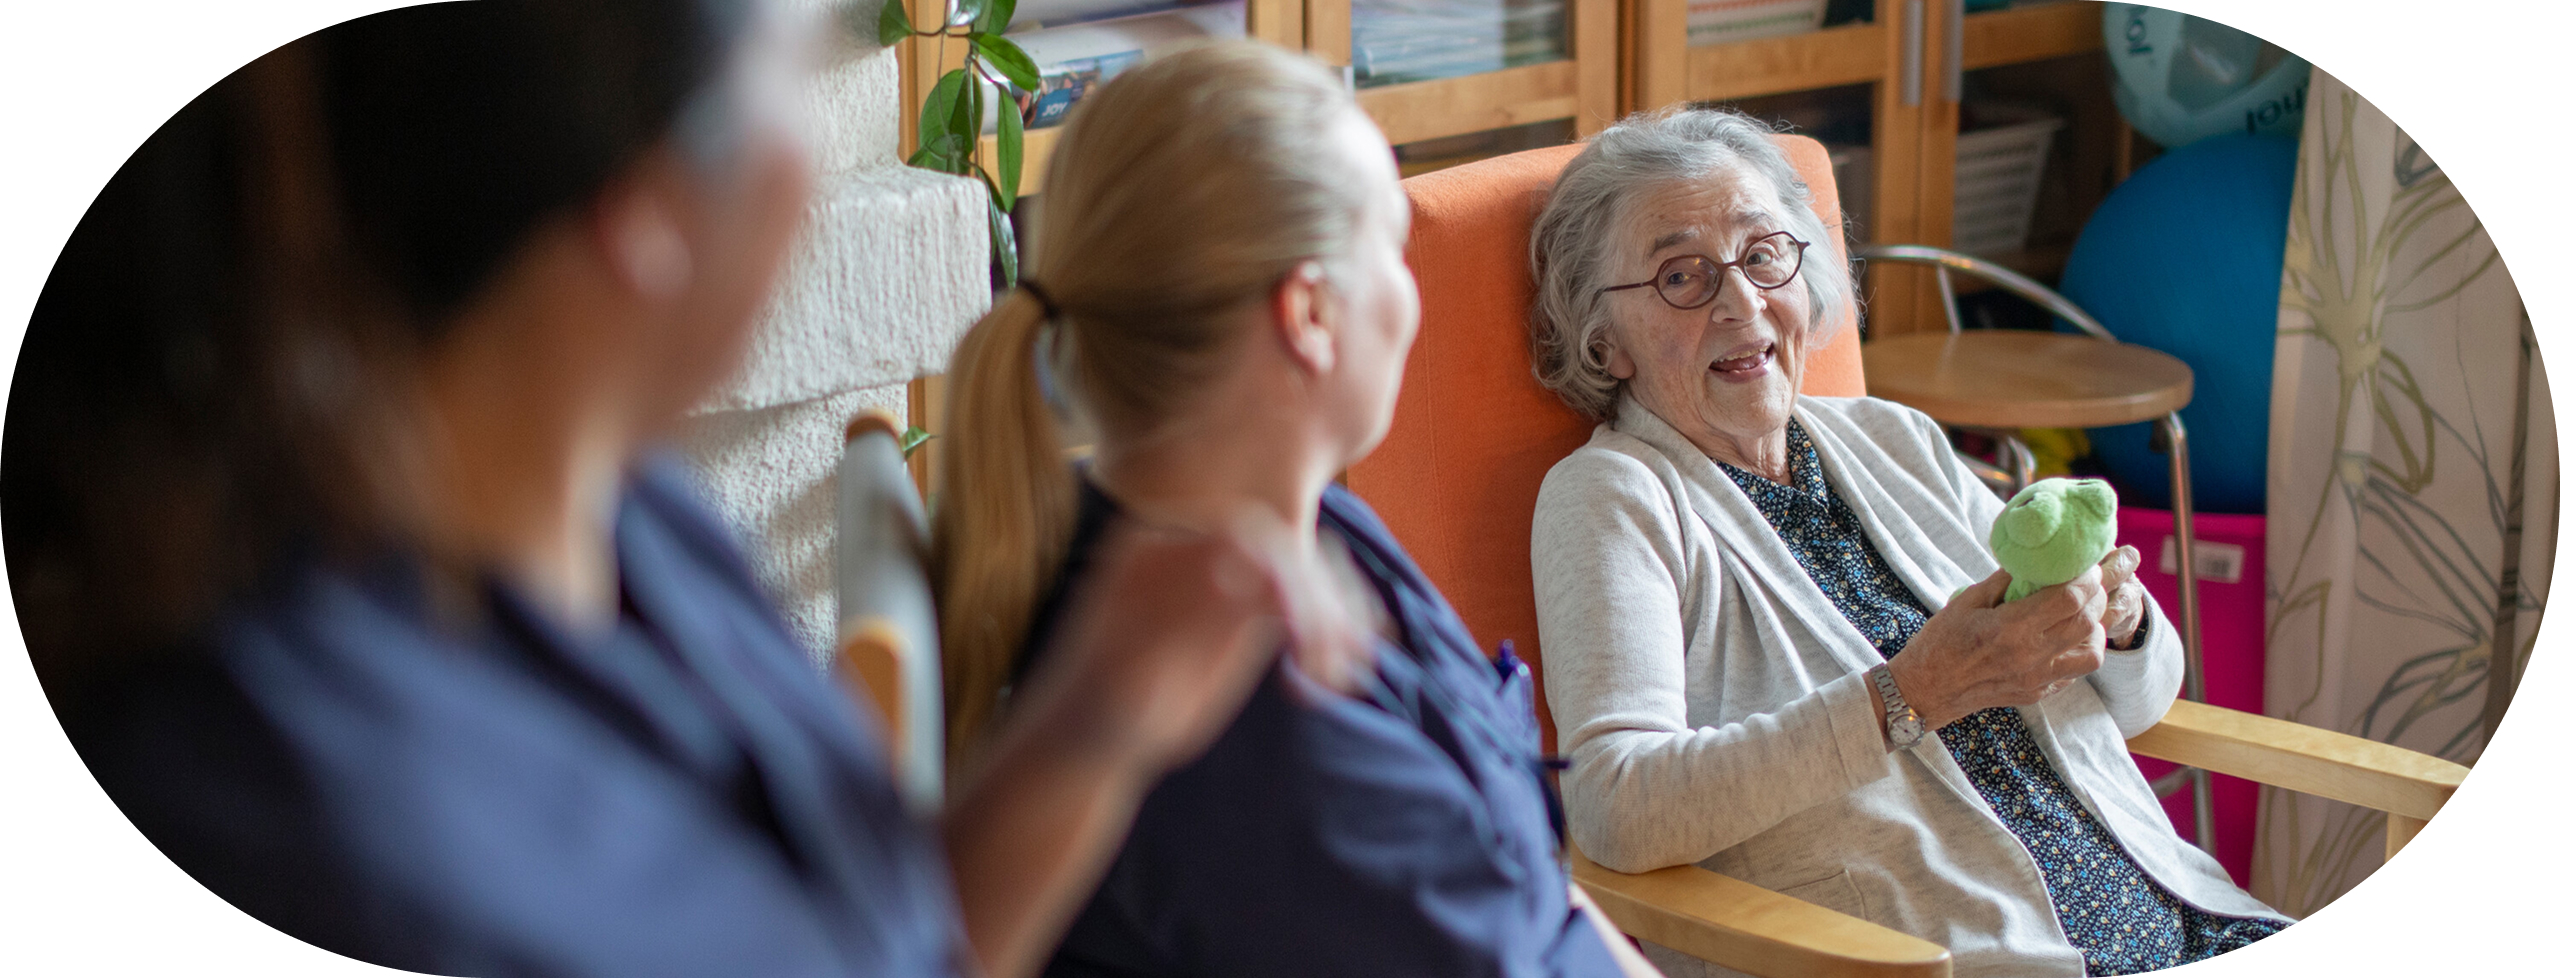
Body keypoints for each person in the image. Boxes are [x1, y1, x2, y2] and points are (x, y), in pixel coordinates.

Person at [2, 3, 1352, 976]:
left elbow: (880, 942)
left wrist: (1099, 715)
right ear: (640, 206)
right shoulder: (323, 837)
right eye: (797, 58)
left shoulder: (628, 519)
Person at [931, 41, 1657, 978]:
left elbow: (1538, 892)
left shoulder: (1314, 529)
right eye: (1392, 249)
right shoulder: (1255, 730)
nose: (1414, 293)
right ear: (1310, 313)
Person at [1522, 105, 2290, 978]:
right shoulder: (1613, 497)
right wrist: (1910, 693)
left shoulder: (1895, 438)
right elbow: (1618, 806)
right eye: (1680, 277)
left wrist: (2114, 622)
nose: (1742, 302)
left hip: (2190, 919)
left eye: (1764, 254)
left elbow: (2146, 700)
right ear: (1603, 339)